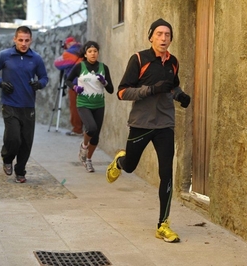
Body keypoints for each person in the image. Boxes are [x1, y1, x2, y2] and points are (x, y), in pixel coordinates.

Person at [105, 18, 191, 243]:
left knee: (166, 173)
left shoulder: (173, 62)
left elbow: (172, 86)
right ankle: (120, 162)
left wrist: (179, 95)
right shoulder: (139, 59)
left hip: (165, 125)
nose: (164, 38)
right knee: (131, 167)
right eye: (160, 34)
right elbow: (122, 92)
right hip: (141, 124)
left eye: (168, 35)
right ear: (151, 36)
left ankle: (163, 224)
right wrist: (150, 90)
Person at [0, 26, 48, 183]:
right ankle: (7, 158)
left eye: (27, 40)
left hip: (28, 106)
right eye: (20, 40)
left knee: (26, 142)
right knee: (14, 138)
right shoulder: (5, 55)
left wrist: (38, 84)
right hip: (10, 104)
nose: (23, 43)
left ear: (31, 40)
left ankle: (20, 171)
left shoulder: (36, 58)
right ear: (14, 39)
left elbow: (44, 78)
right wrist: (1, 83)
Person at [65, 41, 114, 172]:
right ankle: (84, 145)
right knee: (91, 128)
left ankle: (88, 160)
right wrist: (75, 87)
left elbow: (111, 90)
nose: (93, 54)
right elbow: (67, 80)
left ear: (98, 53)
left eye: (95, 51)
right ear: (85, 54)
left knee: (96, 136)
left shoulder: (104, 68)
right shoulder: (79, 66)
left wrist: (105, 82)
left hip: (99, 104)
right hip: (83, 103)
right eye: (90, 51)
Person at [54, 37, 84, 136]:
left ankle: (77, 129)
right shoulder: (83, 50)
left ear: (68, 44)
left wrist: (64, 54)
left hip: (75, 83)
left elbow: (58, 63)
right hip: (86, 82)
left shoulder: (70, 52)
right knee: (84, 106)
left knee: (75, 106)